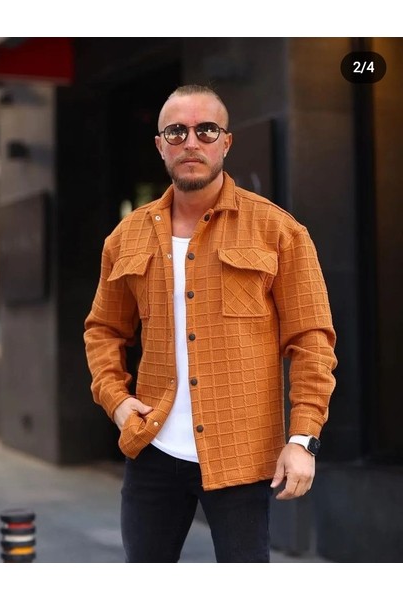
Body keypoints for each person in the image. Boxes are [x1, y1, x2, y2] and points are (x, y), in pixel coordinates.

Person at [84, 84, 337, 563]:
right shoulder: (125, 237)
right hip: (152, 449)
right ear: (160, 145)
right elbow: (103, 330)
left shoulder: (278, 230)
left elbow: (312, 340)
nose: (191, 142)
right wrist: (115, 400)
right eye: (176, 132)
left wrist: (303, 438)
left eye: (206, 130)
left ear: (226, 141)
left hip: (241, 454)